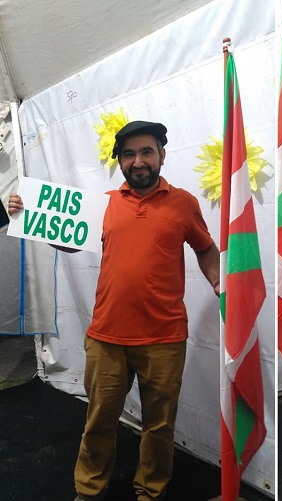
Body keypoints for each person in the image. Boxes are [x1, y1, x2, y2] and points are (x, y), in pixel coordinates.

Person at [8, 121, 220, 501]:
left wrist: (220, 283)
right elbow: (72, 243)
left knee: (159, 426)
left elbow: (205, 247)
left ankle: (150, 491)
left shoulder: (184, 203)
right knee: (99, 421)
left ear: (161, 156)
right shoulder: (102, 204)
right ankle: (89, 490)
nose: (138, 161)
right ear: (120, 161)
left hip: (165, 338)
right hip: (107, 337)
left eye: (146, 152)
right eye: (129, 154)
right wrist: (29, 213)